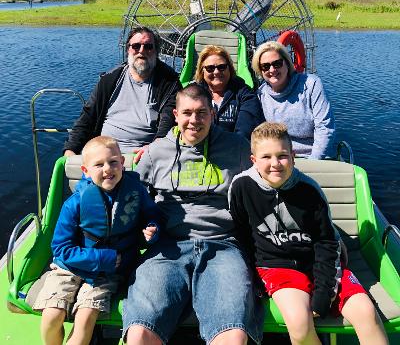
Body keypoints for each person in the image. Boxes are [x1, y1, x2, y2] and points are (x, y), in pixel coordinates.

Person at [123, 83, 264, 345]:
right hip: (168, 247)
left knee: (232, 334)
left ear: (212, 113)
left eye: (201, 113)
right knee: (140, 332)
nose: (194, 121)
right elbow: (134, 199)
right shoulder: (155, 153)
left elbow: (268, 184)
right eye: (187, 113)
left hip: (224, 245)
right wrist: (142, 228)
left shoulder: (238, 148)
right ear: (175, 115)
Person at [229, 122, 388, 345]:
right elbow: (242, 235)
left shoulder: (310, 190)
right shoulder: (241, 187)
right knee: (300, 324)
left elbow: (326, 242)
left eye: (282, 156)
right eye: (266, 157)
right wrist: (252, 281)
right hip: (276, 266)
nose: (275, 164)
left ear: (293, 156)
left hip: (319, 262)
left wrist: (324, 293)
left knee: (366, 313)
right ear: (254, 160)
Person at [34, 136, 161, 345]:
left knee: (85, 318)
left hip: (107, 274)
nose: (107, 169)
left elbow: (152, 215)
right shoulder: (74, 203)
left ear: (122, 162)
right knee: (51, 316)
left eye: (113, 162)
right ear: (85, 171)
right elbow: (60, 248)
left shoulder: (135, 192)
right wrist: (106, 258)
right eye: (98, 164)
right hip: (70, 267)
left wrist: (152, 229)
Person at [64, 26, 182, 162]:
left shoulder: (169, 83)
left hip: (143, 158)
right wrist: (70, 149)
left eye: (148, 47)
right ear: (128, 50)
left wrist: (155, 147)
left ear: (156, 52)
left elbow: (168, 122)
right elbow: (87, 118)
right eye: (136, 46)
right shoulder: (109, 80)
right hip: (104, 156)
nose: (141, 51)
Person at [252, 41, 335, 159]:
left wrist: (314, 163)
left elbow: (325, 127)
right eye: (265, 66)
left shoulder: (311, 84)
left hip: (314, 156)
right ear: (260, 71)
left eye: (277, 64)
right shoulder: (260, 95)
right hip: (279, 159)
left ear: (287, 63)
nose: (272, 70)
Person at [195, 44, 264, 140]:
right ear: (202, 71)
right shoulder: (193, 94)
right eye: (210, 68)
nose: (216, 72)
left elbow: (244, 132)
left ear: (230, 69)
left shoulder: (245, 95)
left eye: (221, 67)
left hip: (234, 151)